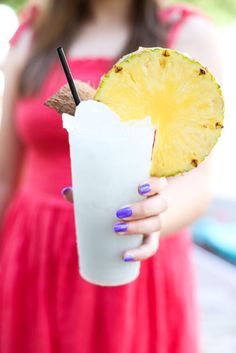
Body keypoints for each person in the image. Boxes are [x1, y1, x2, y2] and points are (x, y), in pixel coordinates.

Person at [0, 0, 221, 352]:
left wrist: (155, 218)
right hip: (34, 255)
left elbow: (197, 181)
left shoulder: (186, 34)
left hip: (132, 256)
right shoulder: (32, 36)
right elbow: (4, 180)